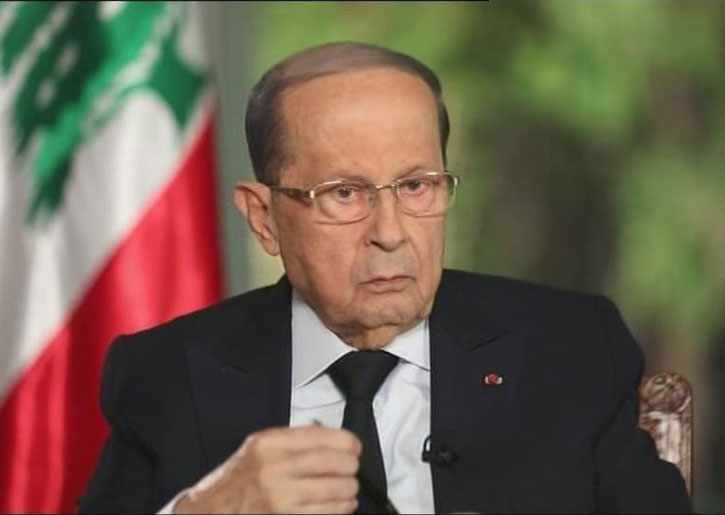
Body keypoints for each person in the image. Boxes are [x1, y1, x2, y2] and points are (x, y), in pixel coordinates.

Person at [79, 42, 690, 514]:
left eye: (416, 185)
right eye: (345, 193)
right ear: (264, 219)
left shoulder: (572, 349)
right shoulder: (167, 375)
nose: (391, 232)